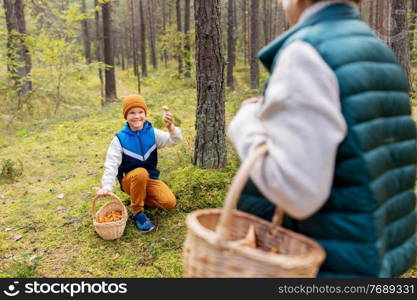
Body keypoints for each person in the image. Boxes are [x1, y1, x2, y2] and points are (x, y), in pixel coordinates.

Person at [228, 0, 417, 277]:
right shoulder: (378, 51)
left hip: (323, 265)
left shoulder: (306, 53)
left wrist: (245, 124)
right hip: (370, 258)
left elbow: (298, 193)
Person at [96, 95, 183, 232]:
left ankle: (140, 196)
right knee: (140, 172)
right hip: (129, 181)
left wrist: (171, 128)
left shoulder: (153, 133)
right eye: (132, 113)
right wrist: (107, 185)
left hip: (150, 179)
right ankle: (137, 212)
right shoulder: (120, 139)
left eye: (140, 112)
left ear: (145, 114)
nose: (137, 116)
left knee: (169, 203)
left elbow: (175, 141)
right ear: (126, 116)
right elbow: (111, 164)